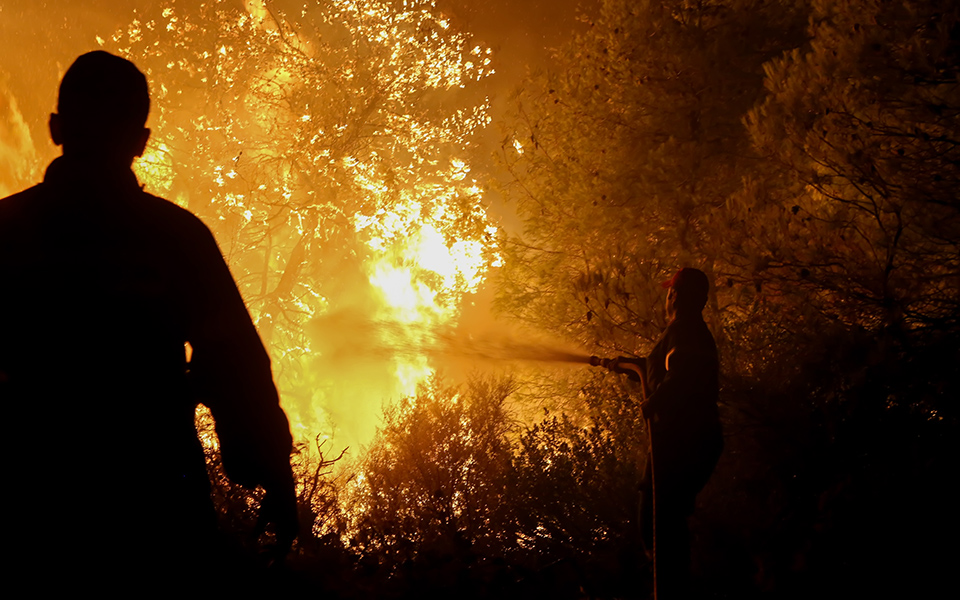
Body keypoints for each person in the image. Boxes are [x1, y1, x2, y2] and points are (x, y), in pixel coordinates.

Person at [0, 51, 297, 586]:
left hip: (27, 495)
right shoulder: (178, 238)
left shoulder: (4, 231)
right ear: (141, 141)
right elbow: (235, 365)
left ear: (55, 128)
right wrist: (271, 473)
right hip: (156, 497)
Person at [602, 267, 723, 598]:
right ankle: (670, 583)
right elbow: (665, 370)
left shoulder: (687, 332)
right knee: (662, 519)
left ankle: (670, 588)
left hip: (685, 441)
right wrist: (634, 366)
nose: (667, 297)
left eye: (670, 291)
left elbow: (682, 377)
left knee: (658, 520)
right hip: (685, 440)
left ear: (676, 295)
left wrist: (652, 403)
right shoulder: (684, 333)